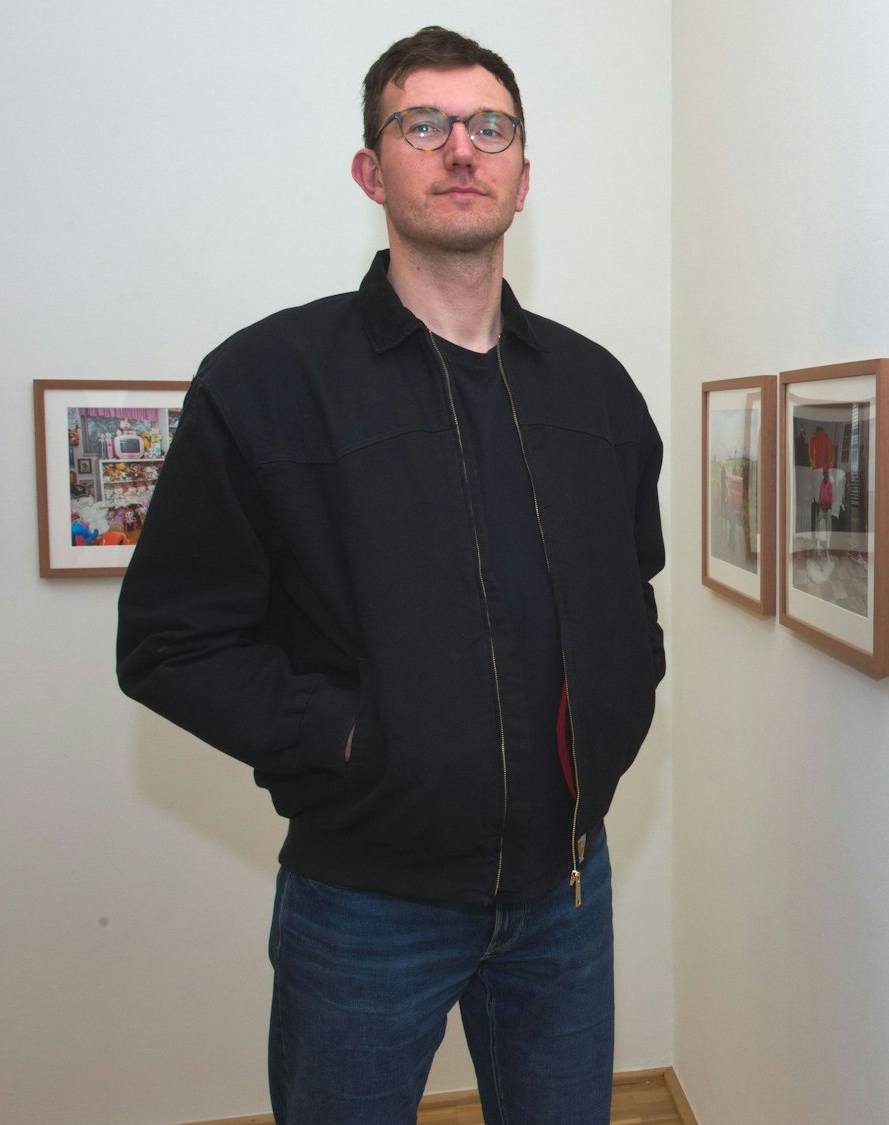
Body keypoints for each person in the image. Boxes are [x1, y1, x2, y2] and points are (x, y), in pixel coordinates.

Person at [116, 26, 664, 1125]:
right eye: (425, 125)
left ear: (520, 169)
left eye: (488, 128)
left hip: (563, 893)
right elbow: (170, 642)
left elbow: (630, 603)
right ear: (374, 168)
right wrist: (351, 741)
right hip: (365, 900)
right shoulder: (267, 382)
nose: (460, 149)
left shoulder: (594, 389)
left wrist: (617, 711)